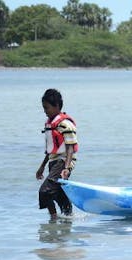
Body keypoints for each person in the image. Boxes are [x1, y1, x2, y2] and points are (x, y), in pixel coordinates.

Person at [36, 89, 78, 220]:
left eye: (47, 108)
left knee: (45, 191)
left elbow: (70, 148)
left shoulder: (65, 124)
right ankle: (69, 221)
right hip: (54, 162)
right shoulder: (50, 125)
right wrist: (42, 166)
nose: (45, 111)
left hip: (63, 161)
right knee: (59, 194)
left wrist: (66, 168)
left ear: (57, 106)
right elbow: (50, 150)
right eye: (43, 108)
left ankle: (53, 220)